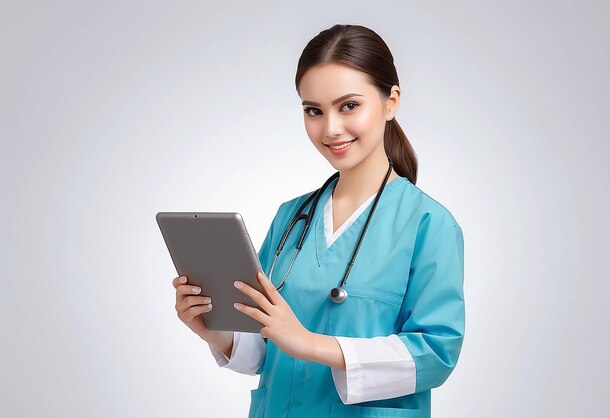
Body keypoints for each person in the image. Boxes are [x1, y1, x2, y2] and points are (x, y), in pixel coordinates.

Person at [172, 23, 464, 418]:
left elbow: (436, 354)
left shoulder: (429, 224)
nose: (330, 129)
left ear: (391, 101)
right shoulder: (291, 218)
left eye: (349, 106)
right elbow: (262, 348)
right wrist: (215, 332)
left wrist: (311, 344)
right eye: (314, 110)